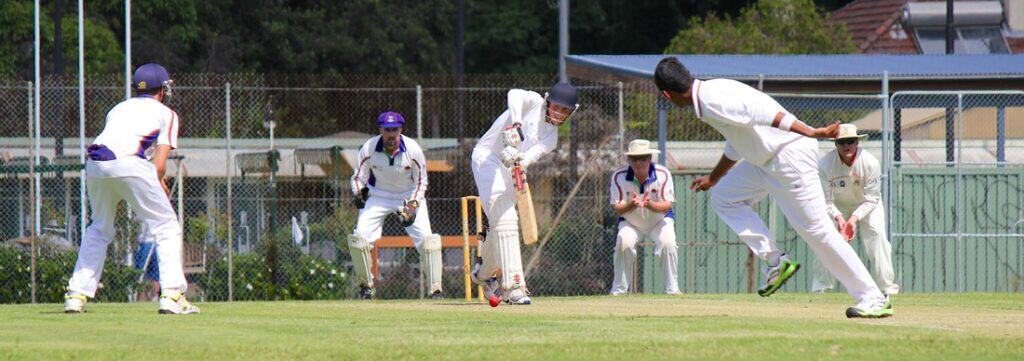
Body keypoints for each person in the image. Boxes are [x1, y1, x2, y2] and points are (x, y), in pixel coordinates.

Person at [653, 57, 892, 318]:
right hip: (764, 160)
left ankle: (872, 297)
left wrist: (811, 132)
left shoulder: (711, 100)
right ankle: (778, 262)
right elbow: (738, 141)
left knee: (818, 231)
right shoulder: (708, 94)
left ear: (667, 94)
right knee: (724, 197)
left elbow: (765, 114)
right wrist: (714, 178)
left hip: (788, 155)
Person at [64, 63, 198, 314]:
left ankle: (76, 294)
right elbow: (158, 165)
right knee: (166, 225)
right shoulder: (167, 113)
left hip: (95, 163)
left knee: (99, 227)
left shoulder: (118, 108)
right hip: (128, 164)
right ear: (163, 90)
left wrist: (152, 180)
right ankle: (171, 295)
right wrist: (158, 183)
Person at [469, 82, 579, 306]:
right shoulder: (533, 102)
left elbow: (531, 157)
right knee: (507, 218)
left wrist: (520, 159)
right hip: (487, 158)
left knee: (501, 222)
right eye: (556, 106)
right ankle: (513, 287)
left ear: (571, 112)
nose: (558, 113)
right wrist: (516, 122)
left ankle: (483, 274)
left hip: (509, 169)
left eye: (564, 110)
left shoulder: (551, 138)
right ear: (548, 101)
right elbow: (514, 94)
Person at [349, 111, 442, 299]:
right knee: (359, 238)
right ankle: (366, 287)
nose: (391, 134)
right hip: (377, 196)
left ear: (401, 130)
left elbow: (421, 181)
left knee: (428, 241)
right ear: (380, 130)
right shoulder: (368, 148)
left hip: (407, 196)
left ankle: (436, 290)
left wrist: (413, 206)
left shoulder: (413, 150)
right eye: (387, 129)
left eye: (395, 129)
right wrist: (359, 193)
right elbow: (359, 177)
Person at [812, 124, 899, 295]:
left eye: (850, 141)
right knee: (826, 240)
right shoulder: (825, 165)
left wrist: (854, 219)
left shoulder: (870, 163)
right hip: (837, 206)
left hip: (867, 205)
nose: (846, 146)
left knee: (877, 236)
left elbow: (872, 198)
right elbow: (826, 201)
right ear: (835, 144)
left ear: (857, 142)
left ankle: (888, 288)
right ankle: (820, 289)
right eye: (842, 142)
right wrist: (838, 217)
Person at [608, 139, 679, 295]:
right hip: (631, 221)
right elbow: (618, 209)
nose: (639, 163)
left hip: (659, 220)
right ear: (629, 160)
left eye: (643, 158)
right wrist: (632, 204)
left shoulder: (663, 174)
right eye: (634, 159)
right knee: (623, 243)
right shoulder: (618, 176)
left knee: (668, 243)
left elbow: (668, 205)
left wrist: (649, 205)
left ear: (650, 158)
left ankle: (673, 290)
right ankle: (618, 291)